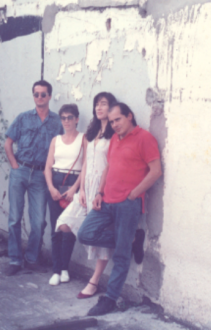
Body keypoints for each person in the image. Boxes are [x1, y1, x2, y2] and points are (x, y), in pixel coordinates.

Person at [77, 102, 162, 316]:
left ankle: (109, 300)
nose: (114, 124)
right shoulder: (115, 138)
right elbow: (108, 167)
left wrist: (134, 194)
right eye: (112, 121)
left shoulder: (144, 138)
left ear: (130, 116)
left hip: (128, 205)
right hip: (106, 200)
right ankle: (132, 239)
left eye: (118, 120)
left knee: (121, 256)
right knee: (85, 234)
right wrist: (99, 192)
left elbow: (156, 171)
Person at [54, 92, 117, 297]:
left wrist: (101, 190)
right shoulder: (93, 132)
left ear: (112, 107)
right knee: (64, 223)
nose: (99, 108)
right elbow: (86, 164)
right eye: (97, 104)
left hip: (102, 189)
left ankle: (94, 281)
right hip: (85, 188)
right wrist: (79, 189)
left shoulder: (114, 134)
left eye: (104, 104)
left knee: (99, 236)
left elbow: (111, 165)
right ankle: (127, 239)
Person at [4, 80, 63, 276]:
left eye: (43, 94)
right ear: (33, 96)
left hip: (40, 175)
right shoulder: (23, 118)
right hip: (20, 171)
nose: (39, 98)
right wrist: (14, 164)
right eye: (36, 94)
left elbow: (62, 147)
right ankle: (14, 259)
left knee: (38, 222)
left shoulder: (57, 122)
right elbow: (8, 143)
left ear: (49, 96)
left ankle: (31, 258)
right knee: (14, 218)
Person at [44, 104, 84, 286]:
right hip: (56, 183)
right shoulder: (56, 140)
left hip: (73, 184)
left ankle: (65, 268)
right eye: (63, 118)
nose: (66, 121)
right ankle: (56, 270)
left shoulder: (84, 139)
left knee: (68, 229)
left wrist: (75, 188)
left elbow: (86, 166)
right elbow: (47, 167)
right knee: (55, 229)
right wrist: (51, 188)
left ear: (76, 119)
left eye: (70, 117)